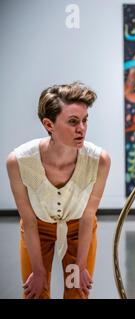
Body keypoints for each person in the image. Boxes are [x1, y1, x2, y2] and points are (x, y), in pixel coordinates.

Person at [6, 82, 111, 299]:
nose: (81, 128)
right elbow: (28, 219)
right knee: (35, 292)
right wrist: (38, 271)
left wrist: (80, 267)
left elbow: (88, 216)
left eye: (84, 120)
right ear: (49, 124)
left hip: (78, 229)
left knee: (76, 292)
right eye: (73, 122)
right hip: (38, 228)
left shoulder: (99, 160)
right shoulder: (19, 161)